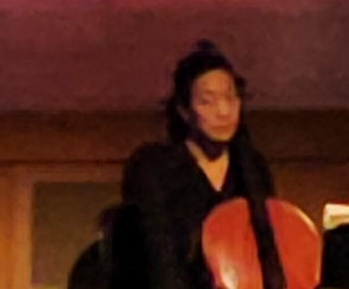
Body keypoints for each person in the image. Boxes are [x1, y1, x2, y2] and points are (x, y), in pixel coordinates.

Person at [116, 46, 283, 289]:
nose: (223, 111)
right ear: (184, 111)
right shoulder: (153, 166)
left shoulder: (251, 166)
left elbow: (268, 248)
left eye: (231, 98)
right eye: (207, 101)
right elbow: (159, 256)